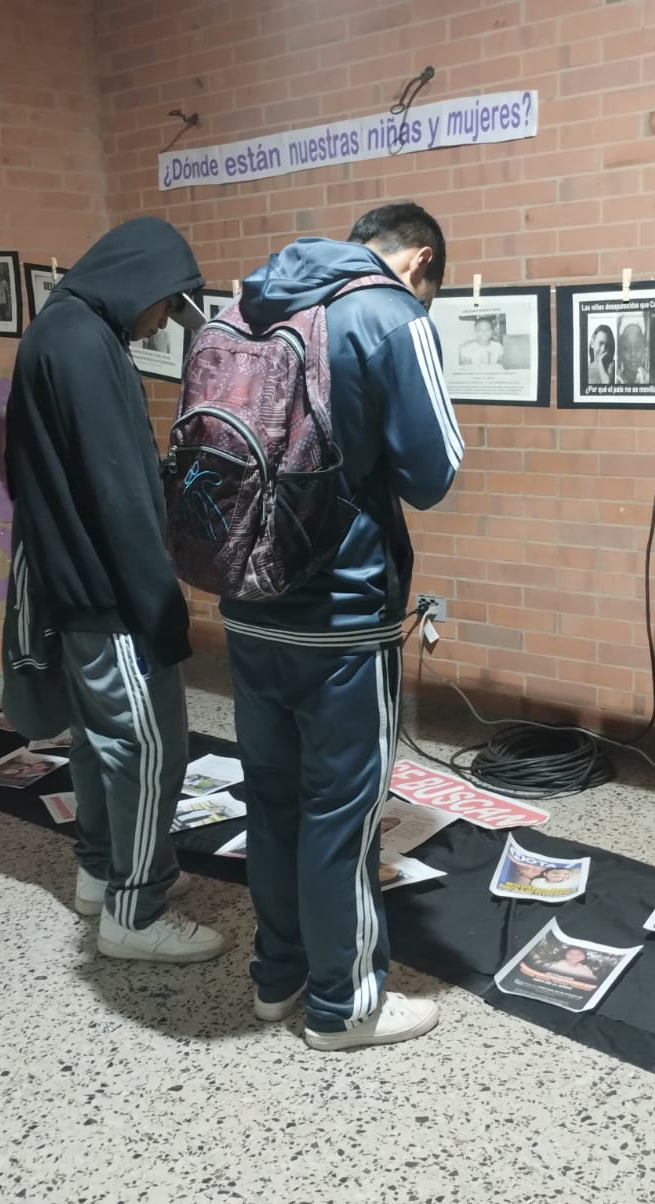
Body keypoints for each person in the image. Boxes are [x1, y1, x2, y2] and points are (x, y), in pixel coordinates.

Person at [225, 202, 462, 1050]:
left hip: (247, 605)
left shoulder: (247, 303)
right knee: (343, 812)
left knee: (273, 800)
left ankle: (278, 977)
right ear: (420, 261)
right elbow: (435, 473)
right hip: (341, 615)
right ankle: (345, 1003)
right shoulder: (389, 313)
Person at [1, 216, 226, 964]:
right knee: (151, 747)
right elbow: (119, 492)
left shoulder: (55, 332)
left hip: (73, 581)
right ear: (142, 281)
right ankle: (136, 912)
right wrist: (160, 607)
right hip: (111, 592)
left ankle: (101, 874)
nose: (161, 321)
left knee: (101, 745)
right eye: (166, 304)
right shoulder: (85, 347)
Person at [616, 320, 648, 384]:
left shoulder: (648, 379)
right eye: (626, 348)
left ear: (644, 350)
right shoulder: (616, 380)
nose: (633, 353)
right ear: (620, 352)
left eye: (637, 347)